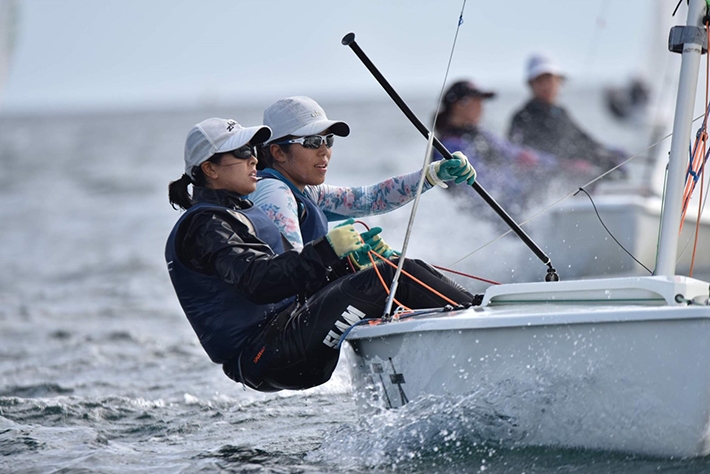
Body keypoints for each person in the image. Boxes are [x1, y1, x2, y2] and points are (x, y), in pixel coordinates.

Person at [165, 117, 477, 393]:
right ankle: (480, 320)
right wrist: (331, 249)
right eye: (243, 152)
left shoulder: (234, 211)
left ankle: (471, 319)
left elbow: (363, 202)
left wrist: (349, 261)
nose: (254, 160)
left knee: (400, 271)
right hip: (266, 354)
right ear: (209, 169)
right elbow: (261, 282)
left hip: (282, 339)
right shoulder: (207, 226)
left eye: (253, 149)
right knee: (391, 276)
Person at [249, 95, 477, 250]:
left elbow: (371, 199)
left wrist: (433, 174)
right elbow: (291, 271)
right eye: (312, 141)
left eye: (328, 140)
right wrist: (344, 259)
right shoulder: (274, 193)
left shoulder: (307, 191)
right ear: (278, 152)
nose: (324, 151)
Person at [433, 80, 561, 216]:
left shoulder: (480, 134)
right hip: (486, 216)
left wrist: (559, 164)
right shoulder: (448, 147)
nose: (481, 107)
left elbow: (514, 153)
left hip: (508, 204)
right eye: (476, 101)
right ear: (459, 105)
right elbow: (476, 188)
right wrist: (520, 184)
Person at [508, 53, 626, 175]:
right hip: (548, 182)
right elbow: (517, 155)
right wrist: (562, 164)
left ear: (559, 81)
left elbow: (583, 139)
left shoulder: (561, 112)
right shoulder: (522, 117)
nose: (547, 85)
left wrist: (607, 151)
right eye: (540, 81)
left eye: (550, 80)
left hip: (577, 176)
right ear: (531, 84)